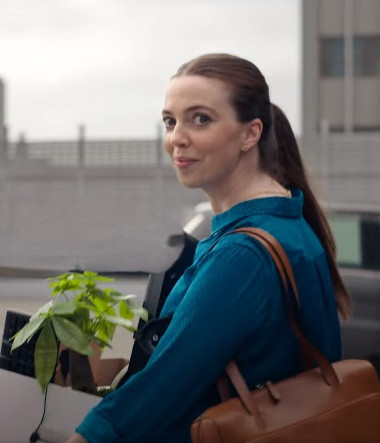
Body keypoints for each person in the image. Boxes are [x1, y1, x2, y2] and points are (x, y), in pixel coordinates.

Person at [68, 53, 350, 442]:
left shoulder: (243, 255)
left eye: (200, 119)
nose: (176, 138)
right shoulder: (289, 224)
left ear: (250, 134)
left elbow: (159, 393)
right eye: (170, 121)